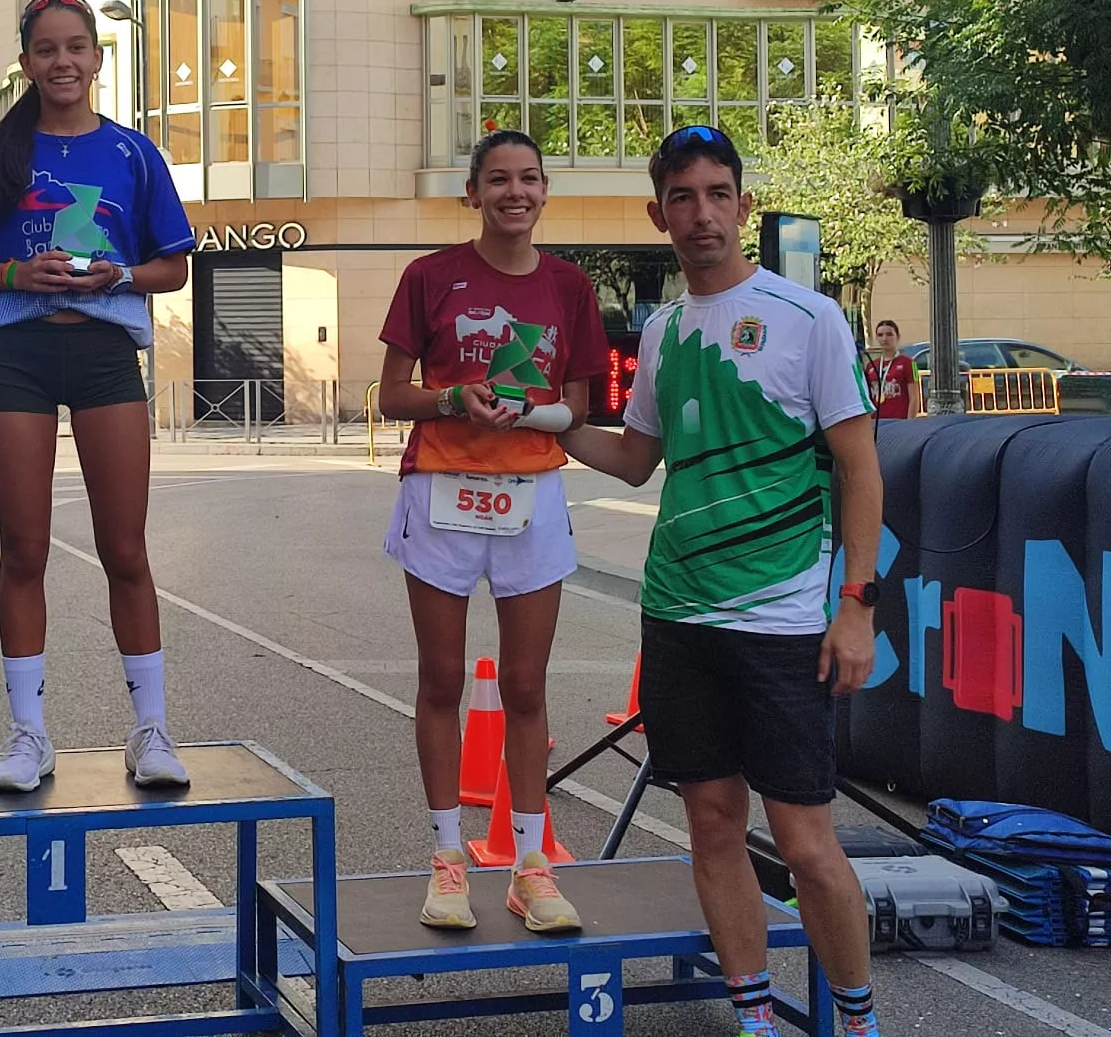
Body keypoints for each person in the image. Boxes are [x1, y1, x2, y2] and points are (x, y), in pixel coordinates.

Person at [558, 124, 885, 1037]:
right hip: (677, 616)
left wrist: (856, 605)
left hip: (782, 620)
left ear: (743, 204)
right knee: (710, 825)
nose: (701, 214)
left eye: (716, 195)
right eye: (682, 198)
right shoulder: (664, 331)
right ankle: (754, 1019)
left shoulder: (809, 318)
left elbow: (861, 468)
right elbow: (635, 460)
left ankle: (858, 1022)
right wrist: (547, 423)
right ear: (657, 214)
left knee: (806, 843)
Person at [0, 0, 195, 792]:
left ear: (97, 57)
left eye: (76, 47)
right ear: (26, 62)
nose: (62, 62)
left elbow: (173, 267)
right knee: (23, 550)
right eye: (46, 49)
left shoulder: (133, 154)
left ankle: (151, 731)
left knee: (126, 550)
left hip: (105, 355)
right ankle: (28, 735)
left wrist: (119, 274)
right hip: (17, 355)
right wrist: (19, 273)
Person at [375, 129, 609, 935]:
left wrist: (526, 412)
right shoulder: (429, 276)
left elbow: (578, 406)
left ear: (545, 191)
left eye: (530, 178)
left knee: (527, 686)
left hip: (531, 495)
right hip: (441, 490)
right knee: (442, 678)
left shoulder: (569, 286)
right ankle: (447, 858)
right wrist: (455, 399)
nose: (517, 192)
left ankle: (530, 866)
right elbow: (391, 396)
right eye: (499, 180)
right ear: (473, 193)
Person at [866, 320, 916, 420]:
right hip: (876, 421)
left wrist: (909, 422)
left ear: (898, 336)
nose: (884, 339)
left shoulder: (910, 363)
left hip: (899, 421)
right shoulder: (871, 365)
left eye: (889, 334)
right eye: (880, 335)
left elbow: (914, 397)